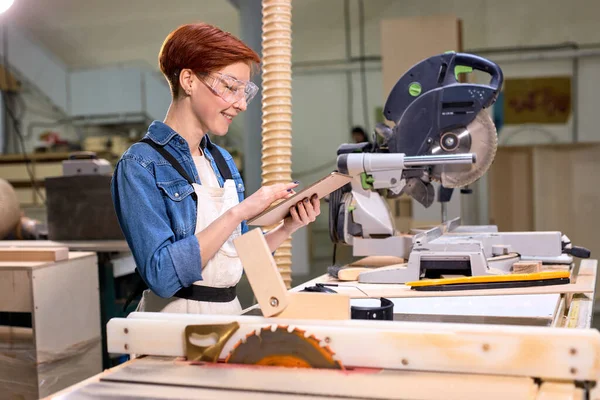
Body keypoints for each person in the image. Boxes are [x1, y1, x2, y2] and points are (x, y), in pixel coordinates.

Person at [111, 23, 320, 315]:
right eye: (231, 87)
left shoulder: (221, 159)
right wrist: (240, 212)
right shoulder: (139, 165)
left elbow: (239, 256)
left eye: (244, 92)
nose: (241, 104)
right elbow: (162, 276)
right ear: (189, 80)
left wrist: (289, 226)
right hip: (173, 322)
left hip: (229, 311)